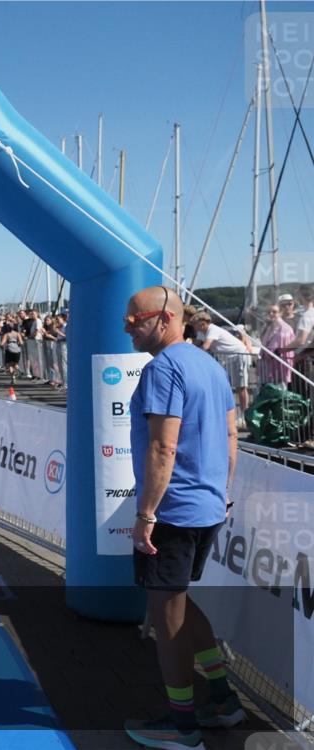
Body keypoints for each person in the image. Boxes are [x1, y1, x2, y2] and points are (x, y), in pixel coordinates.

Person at [122, 286, 243, 750]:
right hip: (205, 508)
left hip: (173, 512)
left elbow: (162, 446)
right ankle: (222, 699)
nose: (128, 327)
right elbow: (231, 436)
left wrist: (146, 513)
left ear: (166, 319)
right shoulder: (209, 365)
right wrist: (222, 492)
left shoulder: (164, 368)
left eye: (135, 320)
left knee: (165, 614)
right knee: (177, 601)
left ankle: (182, 725)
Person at [191, 312, 252, 424]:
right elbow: (197, 344)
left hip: (238, 355)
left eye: (195, 324)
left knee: (241, 386)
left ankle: (244, 416)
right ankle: (232, 415)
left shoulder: (212, 330)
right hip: (227, 359)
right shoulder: (201, 332)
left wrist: (191, 356)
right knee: (228, 386)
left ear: (203, 324)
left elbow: (205, 346)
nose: (193, 326)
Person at [258, 304, 295, 385]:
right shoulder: (269, 327)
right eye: (269, 312)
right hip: (268, 366)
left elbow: (278, 346)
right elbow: (263, 343)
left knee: (280, 392)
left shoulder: (285, 329)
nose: (271, 314)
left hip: (280, 367)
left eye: (274, 312)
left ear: (280, 313)